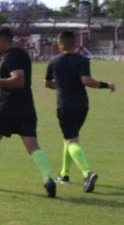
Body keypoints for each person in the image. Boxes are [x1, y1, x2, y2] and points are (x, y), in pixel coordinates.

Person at [0, 26, 56, 197]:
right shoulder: (22, 54)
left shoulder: (11, 56)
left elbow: (18, 80)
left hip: (9, 108)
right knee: (33, 147)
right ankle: (47, 178)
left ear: (2, 39)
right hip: (27, 108)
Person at [45, 30, 115, 193]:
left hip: (65, 105)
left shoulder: (54, 61)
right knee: (69, 138)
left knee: (71, 140)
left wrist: (61, 86)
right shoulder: (83, 60)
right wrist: (106, 85)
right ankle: (64, 174)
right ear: (74, 43)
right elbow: (87, 81)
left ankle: (87, 173)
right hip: (82, 105)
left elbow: (47, 83)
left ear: (60, 44)